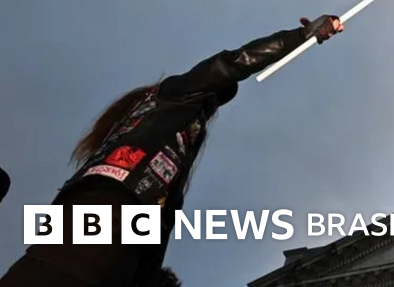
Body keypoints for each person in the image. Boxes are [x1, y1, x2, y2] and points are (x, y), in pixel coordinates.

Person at [0, 15, 343, 287]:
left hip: (100, 221)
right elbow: (230, 64)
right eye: (215, 98)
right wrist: (302, 37)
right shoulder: (172, 95)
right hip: (107, 216)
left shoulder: (147, 132)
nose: (213, 108)